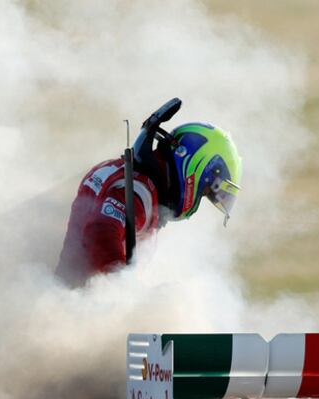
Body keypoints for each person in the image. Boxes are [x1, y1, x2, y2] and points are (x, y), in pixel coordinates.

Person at [56, 99, 242, 287]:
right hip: (81, 304)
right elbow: (99, 232)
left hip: (71, 297)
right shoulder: (139, 190)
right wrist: (124, 286)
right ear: (195, 165)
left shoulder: (132, 180)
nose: (199, 198)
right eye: (204, 191)